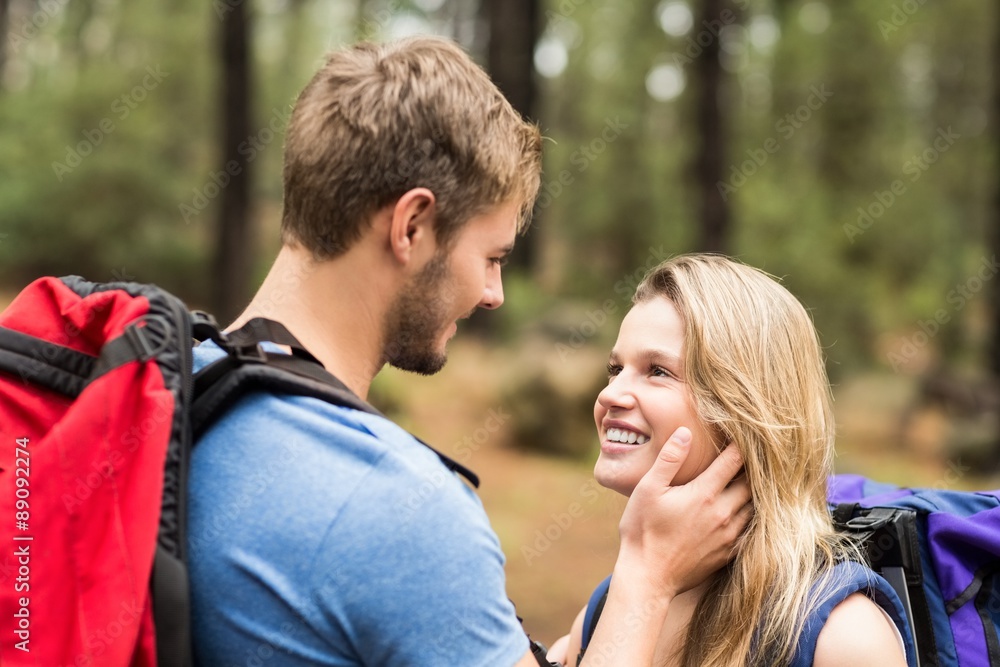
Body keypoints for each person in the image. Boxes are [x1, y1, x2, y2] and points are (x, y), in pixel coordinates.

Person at [186, 38, 752, 666]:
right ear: (411, 227)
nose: (494, 294)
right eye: (492, 257)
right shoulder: (399, 511)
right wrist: (648, 574)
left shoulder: (174, 389)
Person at [551, 254, 914, 667]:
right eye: (615, 369)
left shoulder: (843, 639)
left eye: (657, 371)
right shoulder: (607, 609)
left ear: (745, 412)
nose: (610, 394)